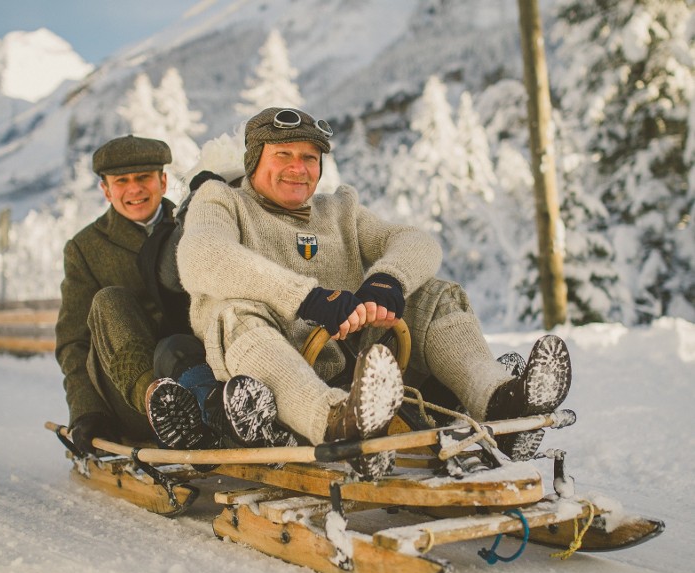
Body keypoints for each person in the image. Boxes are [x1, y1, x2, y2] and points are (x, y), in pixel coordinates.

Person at [176, 107, 572, 478]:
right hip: (272, 371)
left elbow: (417, 242)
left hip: (359, 371)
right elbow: (202, 254)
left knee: (435, 293)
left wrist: (387, 282)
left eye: (310, 157)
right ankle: (337, 424)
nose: (299, 168)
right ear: (254, 160)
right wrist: (307, 298)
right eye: (283, 155)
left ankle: (500, 403)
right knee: (234, 313)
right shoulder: (221, 200)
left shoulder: (339, 210)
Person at [55, 135, 291, 458]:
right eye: (122, 182)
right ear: (106, 190)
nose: (135, 189)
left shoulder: (196, 223)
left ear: (163, 181)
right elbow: (73, 343)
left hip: (191, 365)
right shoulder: (86, 248)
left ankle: (226, 413)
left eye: (144, 178)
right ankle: (162, 404)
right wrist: (86, 412)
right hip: (130, 396)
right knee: (109, 301)